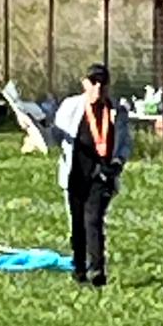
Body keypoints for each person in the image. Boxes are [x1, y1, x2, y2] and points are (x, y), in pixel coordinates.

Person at [52, 63, 132, 288]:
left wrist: (117, 162)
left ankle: (97, 270)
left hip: (102, 176)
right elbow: (54, 135)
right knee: (77, 223)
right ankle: (79, 268)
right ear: (84, 84)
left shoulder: (116, 111)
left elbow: (125, 142)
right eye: (93, 82)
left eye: (102, 83)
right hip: (76, 173)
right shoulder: (71, 106)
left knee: (93, 220)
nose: (98, 87)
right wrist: (32, 128)